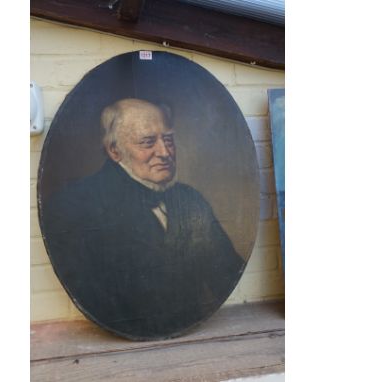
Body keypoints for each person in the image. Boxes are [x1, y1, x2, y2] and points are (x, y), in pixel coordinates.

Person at [41, 98, 245, 340]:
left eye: (168, 140)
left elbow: (226, 273)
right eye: (148, 142)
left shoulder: (190, 200)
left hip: (190, 336)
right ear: (114, 151)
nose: (164, 152)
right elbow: (93, 299)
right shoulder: (74, 206)